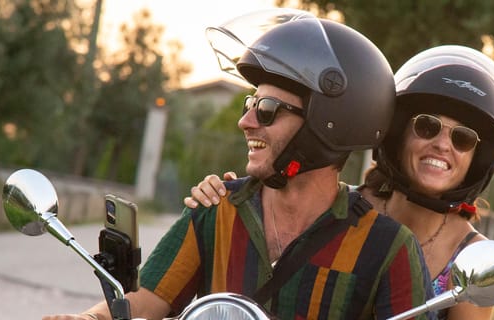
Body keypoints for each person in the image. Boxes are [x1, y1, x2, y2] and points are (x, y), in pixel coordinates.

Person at [45, 9, 433, 320]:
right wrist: (89, 318)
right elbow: (147, 297)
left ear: (327, 126)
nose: (245, 122)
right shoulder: (218, 210)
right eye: (251, 105)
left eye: (266, 110)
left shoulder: (388, 247)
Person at [187, 45, 494, 320]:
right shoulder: (342, 207)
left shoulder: (471, 258)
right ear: (397, 134)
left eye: (463, 139)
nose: (443, 145)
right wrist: (235, 196)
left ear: (478, 160)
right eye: (427, 127)